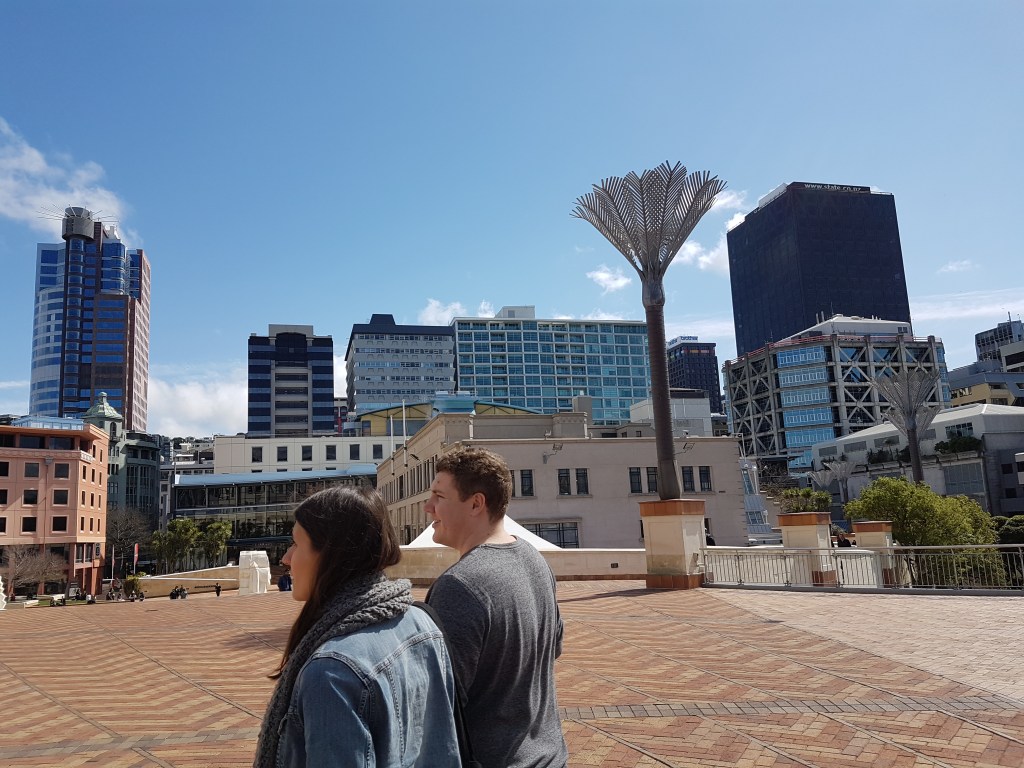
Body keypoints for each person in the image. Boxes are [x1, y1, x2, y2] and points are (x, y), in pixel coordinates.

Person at [253, 486, 460, 768]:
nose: (286, 558)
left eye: (296, 544)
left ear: (330, 556)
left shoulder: (331, 673)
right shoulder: (422, 621)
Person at [425, 446, 568, 768]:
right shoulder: (534, 559)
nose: (427, 507)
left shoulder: (459, 585)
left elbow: (438, 704)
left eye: (439, 496)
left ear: (476, 503)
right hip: (549, 756)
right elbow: (552, 648)